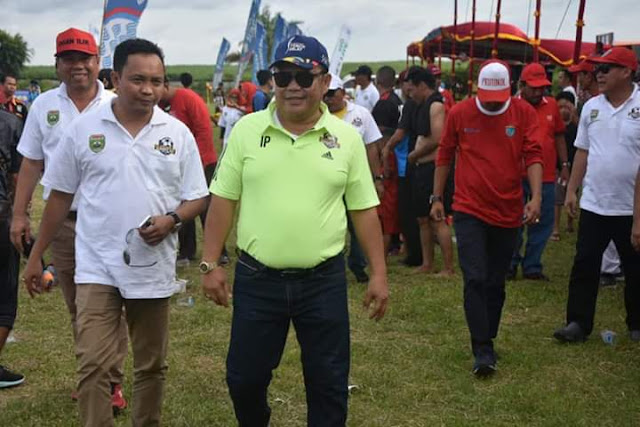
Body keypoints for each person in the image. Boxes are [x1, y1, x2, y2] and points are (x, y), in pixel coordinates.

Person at [202, 35, 388, 426]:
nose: (292, 86)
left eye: (304, 77)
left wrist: (379, 273)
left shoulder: (348, 139)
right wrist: (210, 263)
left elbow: (364, 210)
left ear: (324, 82)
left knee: (329, 383)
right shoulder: (248, 131)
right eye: (282, 75)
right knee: (244, 379)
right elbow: (222, 199)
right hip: (257, 279)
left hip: (323, 282)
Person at [22, 38, 208, 426]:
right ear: (116, 78)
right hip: (96, 266)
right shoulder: (84, 129)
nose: (148, 89)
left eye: (157, 81)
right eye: (138, 79)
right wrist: (37, 253)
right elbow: (59, 197)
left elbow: (198, 198)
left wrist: (172, 220)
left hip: (152, 269)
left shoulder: (176, 134)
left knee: (151, 366)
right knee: (93, 364)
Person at [9, 27, 128, 409]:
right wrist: (19, 214)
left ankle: (110, 383)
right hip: (64, 224)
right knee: (80, 304)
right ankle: (93, 376)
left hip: (111, 220)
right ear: (57, 65)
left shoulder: (117, 103)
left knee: (113, 302)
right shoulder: (44, 106)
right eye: (69, 59)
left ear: (98, 62)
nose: (77, 65)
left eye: (85, 58)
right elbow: (30, 162)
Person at [431, 60, 543, 376]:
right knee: (475, 277)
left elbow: (533, 155)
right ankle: (481, 347)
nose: (493, 103)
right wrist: (437, 197)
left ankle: (488, 335)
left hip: (508, 210)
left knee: (496, 281)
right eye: (488, 96)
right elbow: (444, 154)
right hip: (468, 209)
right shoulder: (461, 113)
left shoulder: (522, 113)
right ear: (478, 88)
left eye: (499, 98)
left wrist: (535, 197)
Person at [554, 47, 640, 343]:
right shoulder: (592, 107)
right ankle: (578, 322)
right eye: (597, 69)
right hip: (594, 203)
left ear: (627, 72)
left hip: (631, 206)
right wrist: (572, 192)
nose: (598, 75)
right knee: (585, 264)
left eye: (606, 69)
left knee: (636, 267)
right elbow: (583, 151)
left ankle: (637, 323)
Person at [509, 63, 569, 281]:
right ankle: (510, 263)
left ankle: (532, 265)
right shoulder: (510, 106)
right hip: (515, 175)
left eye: (541, 87)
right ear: (522, 85)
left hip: (546, 176)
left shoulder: (551, 105)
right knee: (513, 221)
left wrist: (564, 165)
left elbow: (559, 136)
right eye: (533, 88)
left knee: (541, 222)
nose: (537, 92)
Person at [324, 73, 383, 282]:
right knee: (331, 226)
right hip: (328, 181)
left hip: (357, 180)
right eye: (325, 94)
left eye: (332, 94)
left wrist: (378, 177)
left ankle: (358, 266)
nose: (328, 98)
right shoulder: (316, 115)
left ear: (343, 92)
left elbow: (372, 147)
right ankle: (332, 267)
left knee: (359, 225)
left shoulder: (361, 114)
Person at [160, 79, 218, 265]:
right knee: (181, 209)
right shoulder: (160, 105)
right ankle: (186, 251)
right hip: (177, 165)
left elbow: (203, 130)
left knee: (205, 207)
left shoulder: (188, 98)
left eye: (156, 84)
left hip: (203, 161)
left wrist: (198, 163)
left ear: (166, 85)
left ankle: (218, 251)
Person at [405, 67, 454, 276]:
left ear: (422, 86)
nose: (410, 93)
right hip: (420, 167)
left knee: (437, 218)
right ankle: (427, 263)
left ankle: (448, 267)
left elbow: (437, 138)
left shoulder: (435, 105)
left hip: (431, 167)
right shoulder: (421, 106)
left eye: (411, 89)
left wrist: (416, 154)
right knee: (422, 219)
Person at [380, 67, 423, 267]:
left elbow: (398, 133)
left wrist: (386, 148)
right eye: (405, 83)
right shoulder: (407, 104)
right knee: (408, 213)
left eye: (410, 83)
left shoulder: (407, 106)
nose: (407, 87)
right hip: (407, 163)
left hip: (406, 165)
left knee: (407, 213)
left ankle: (414, 255)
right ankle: (410, 251)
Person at [0, 109, 23, 389]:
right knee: (4, 297)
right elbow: (18, 177)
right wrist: (19, 211)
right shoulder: (9, 122)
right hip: (1, 215)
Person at [372, 65, 403, 256]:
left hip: (387, 156)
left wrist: (381, 160)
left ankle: (386, 248)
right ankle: (395, 242)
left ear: (378, 82)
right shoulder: (396, 100)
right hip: (396, 155)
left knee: (385, 208)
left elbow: (381, 135)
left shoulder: (383, 103)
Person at [551, 91, 578, 241]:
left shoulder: (576, 125)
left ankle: (569, 223)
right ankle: (555, 228)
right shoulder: (555, 127)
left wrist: (575, 117)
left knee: (572, 194)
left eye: (567, 107)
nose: (563, 110)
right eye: (560, 107)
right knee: (557, 198)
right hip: (558, 168)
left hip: (575, 167)